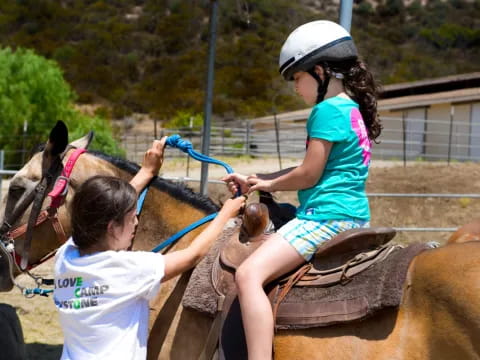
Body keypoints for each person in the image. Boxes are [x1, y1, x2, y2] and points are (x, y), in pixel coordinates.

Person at [222, 20, 382, 359]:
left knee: (249, 275)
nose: (296, 87)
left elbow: (309, 175)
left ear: (321, 71)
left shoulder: (324, 111)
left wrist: (269, 184)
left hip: (323, 218)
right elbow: (320, 168)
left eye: (297, 77)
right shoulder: (351, 110)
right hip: (353, 215)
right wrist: (259, 177)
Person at [53, 138, 246, 360]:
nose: (136, 222)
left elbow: (102, 207)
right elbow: (193, 254)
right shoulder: (128, 269)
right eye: (131, 218)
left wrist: (146, 172)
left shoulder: (65, 257)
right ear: (112, 227)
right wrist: (227, 212)